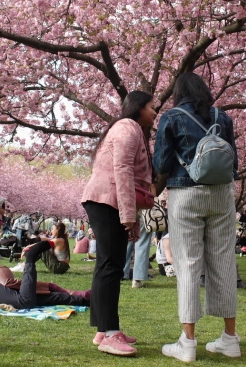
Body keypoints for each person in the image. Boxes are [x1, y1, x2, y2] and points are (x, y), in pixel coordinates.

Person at [153, 72, 240, 362]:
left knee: (188, 263)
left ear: (179, 92)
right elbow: (233, 161)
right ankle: (230, 338)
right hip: (221, 194)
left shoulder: (171, 117)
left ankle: (188, 342)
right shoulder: (222, 117)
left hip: (185, 193)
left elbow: (162, 162)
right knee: (224, 260)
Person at [81, 90, 156, 357]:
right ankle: (110, 334)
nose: (154, 112)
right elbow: (122, 168)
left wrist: (130, 215)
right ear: (138, 107)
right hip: (106, 200)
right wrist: (128, 214)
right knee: (110, 266)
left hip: (108, 200)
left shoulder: (130, 128)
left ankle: (104, 329)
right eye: (151, 107)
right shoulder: (127, 126)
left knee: (107, 265)